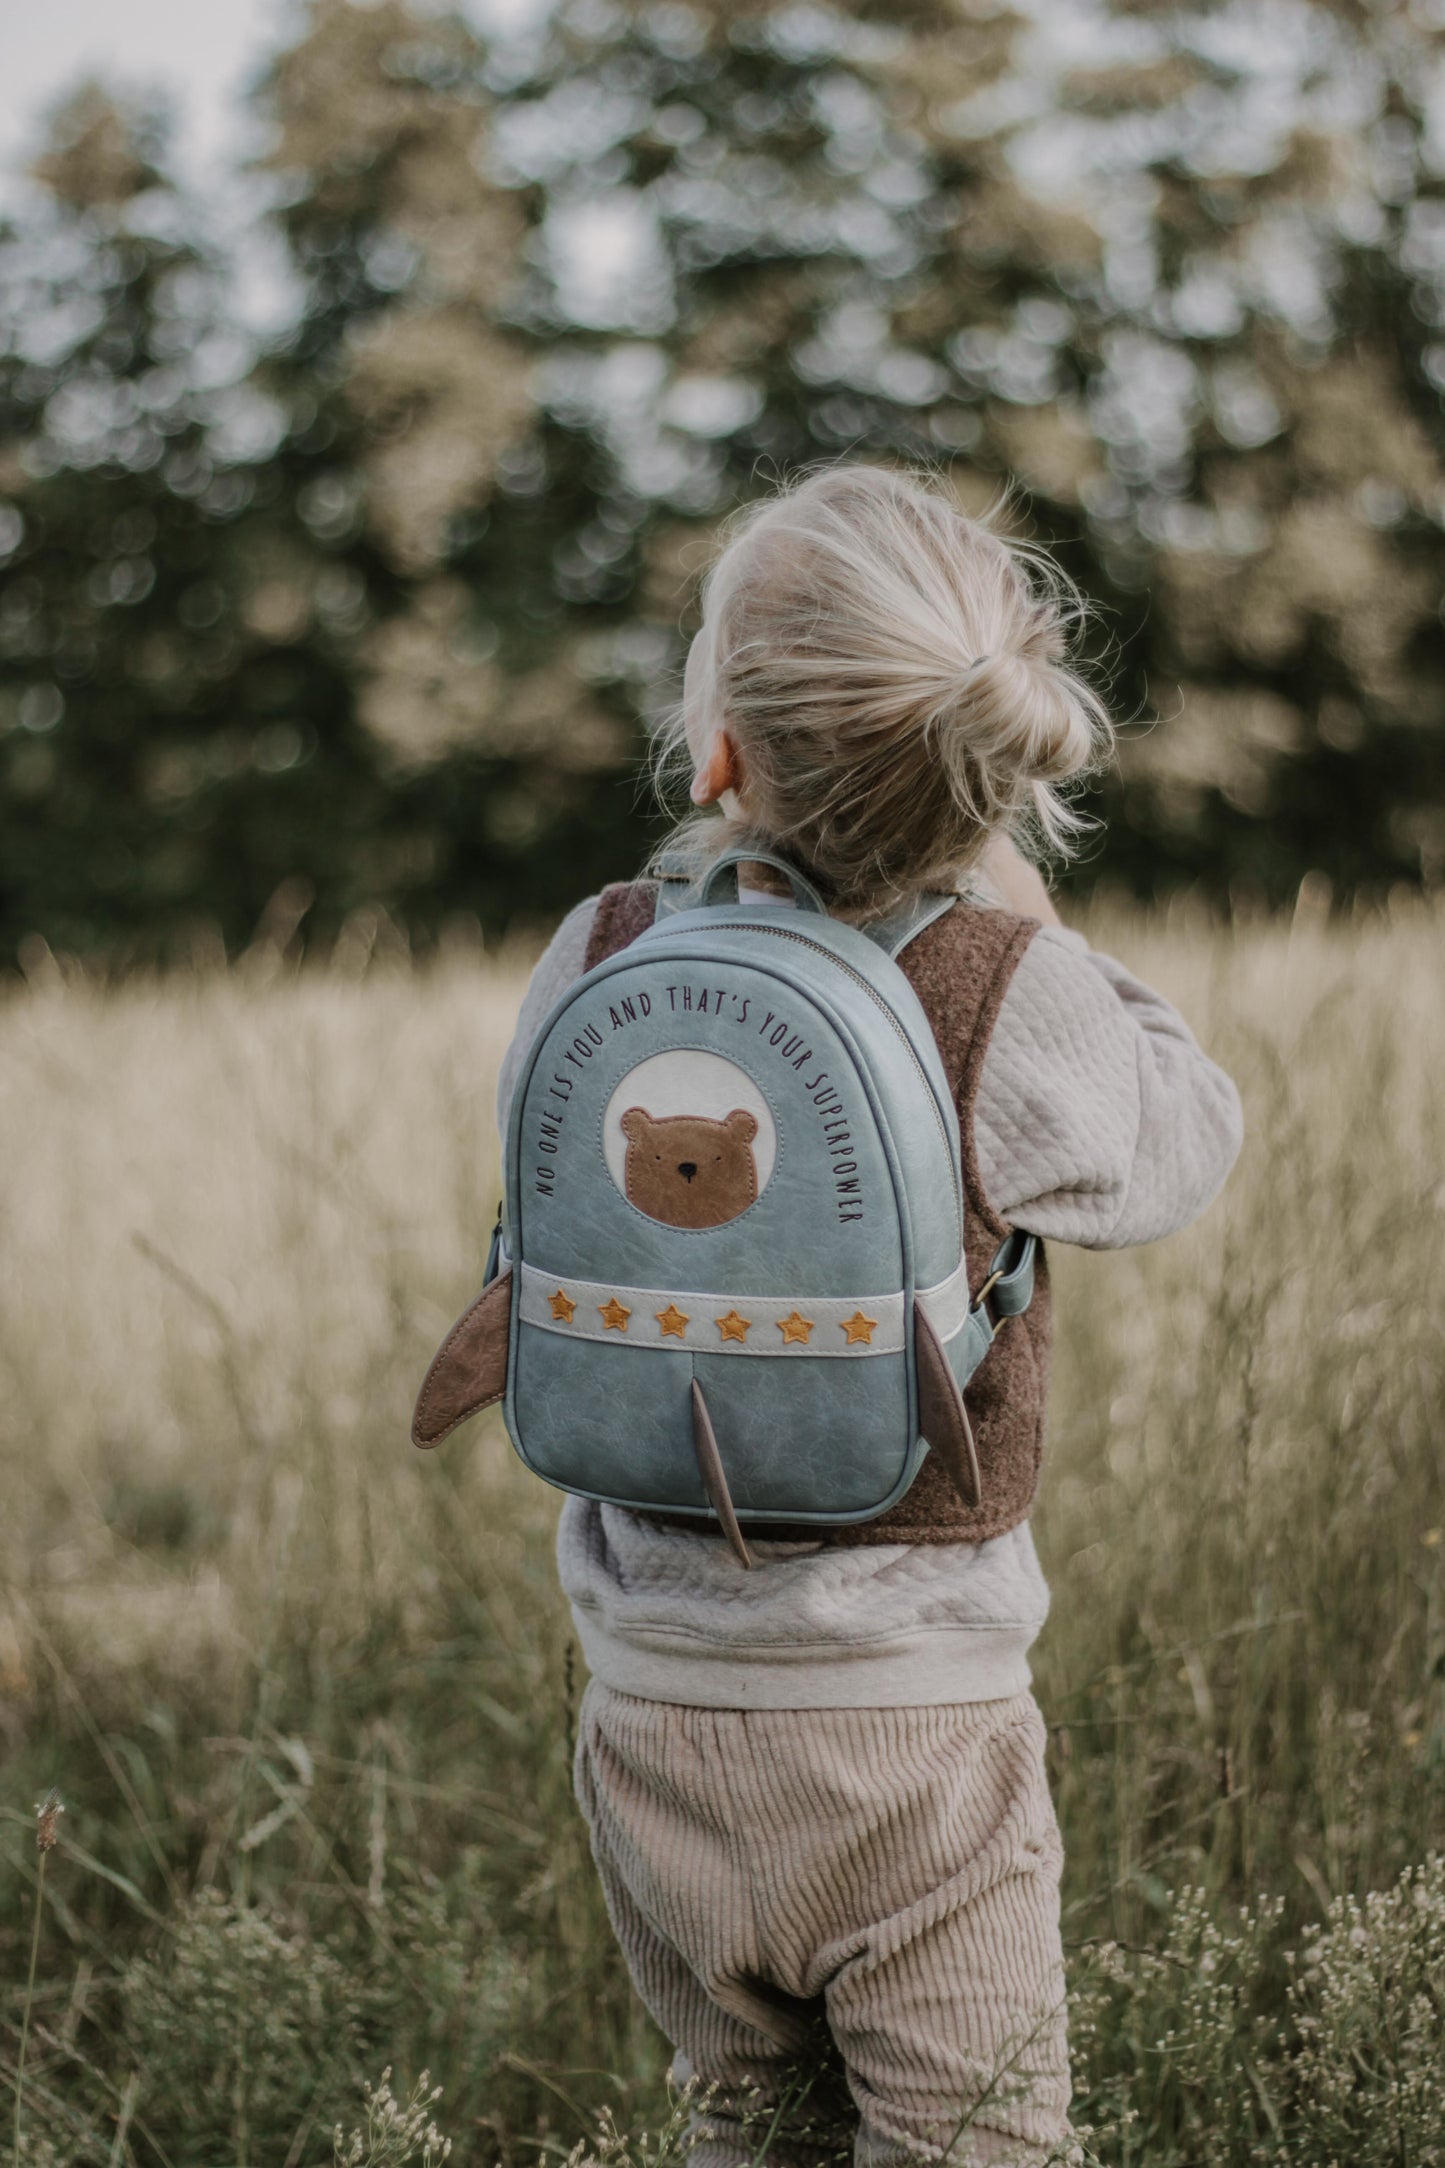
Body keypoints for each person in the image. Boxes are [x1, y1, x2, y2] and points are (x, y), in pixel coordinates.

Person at [495, 465, 1243, 2165]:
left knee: (746, 2124)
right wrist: (1045, 931)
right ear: (988, 773)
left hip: (646, 1696)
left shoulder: (600, 950)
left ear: (718, 754)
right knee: (973, 2138)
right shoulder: (1007, 990)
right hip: (910, 1720)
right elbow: (1176, 1149)